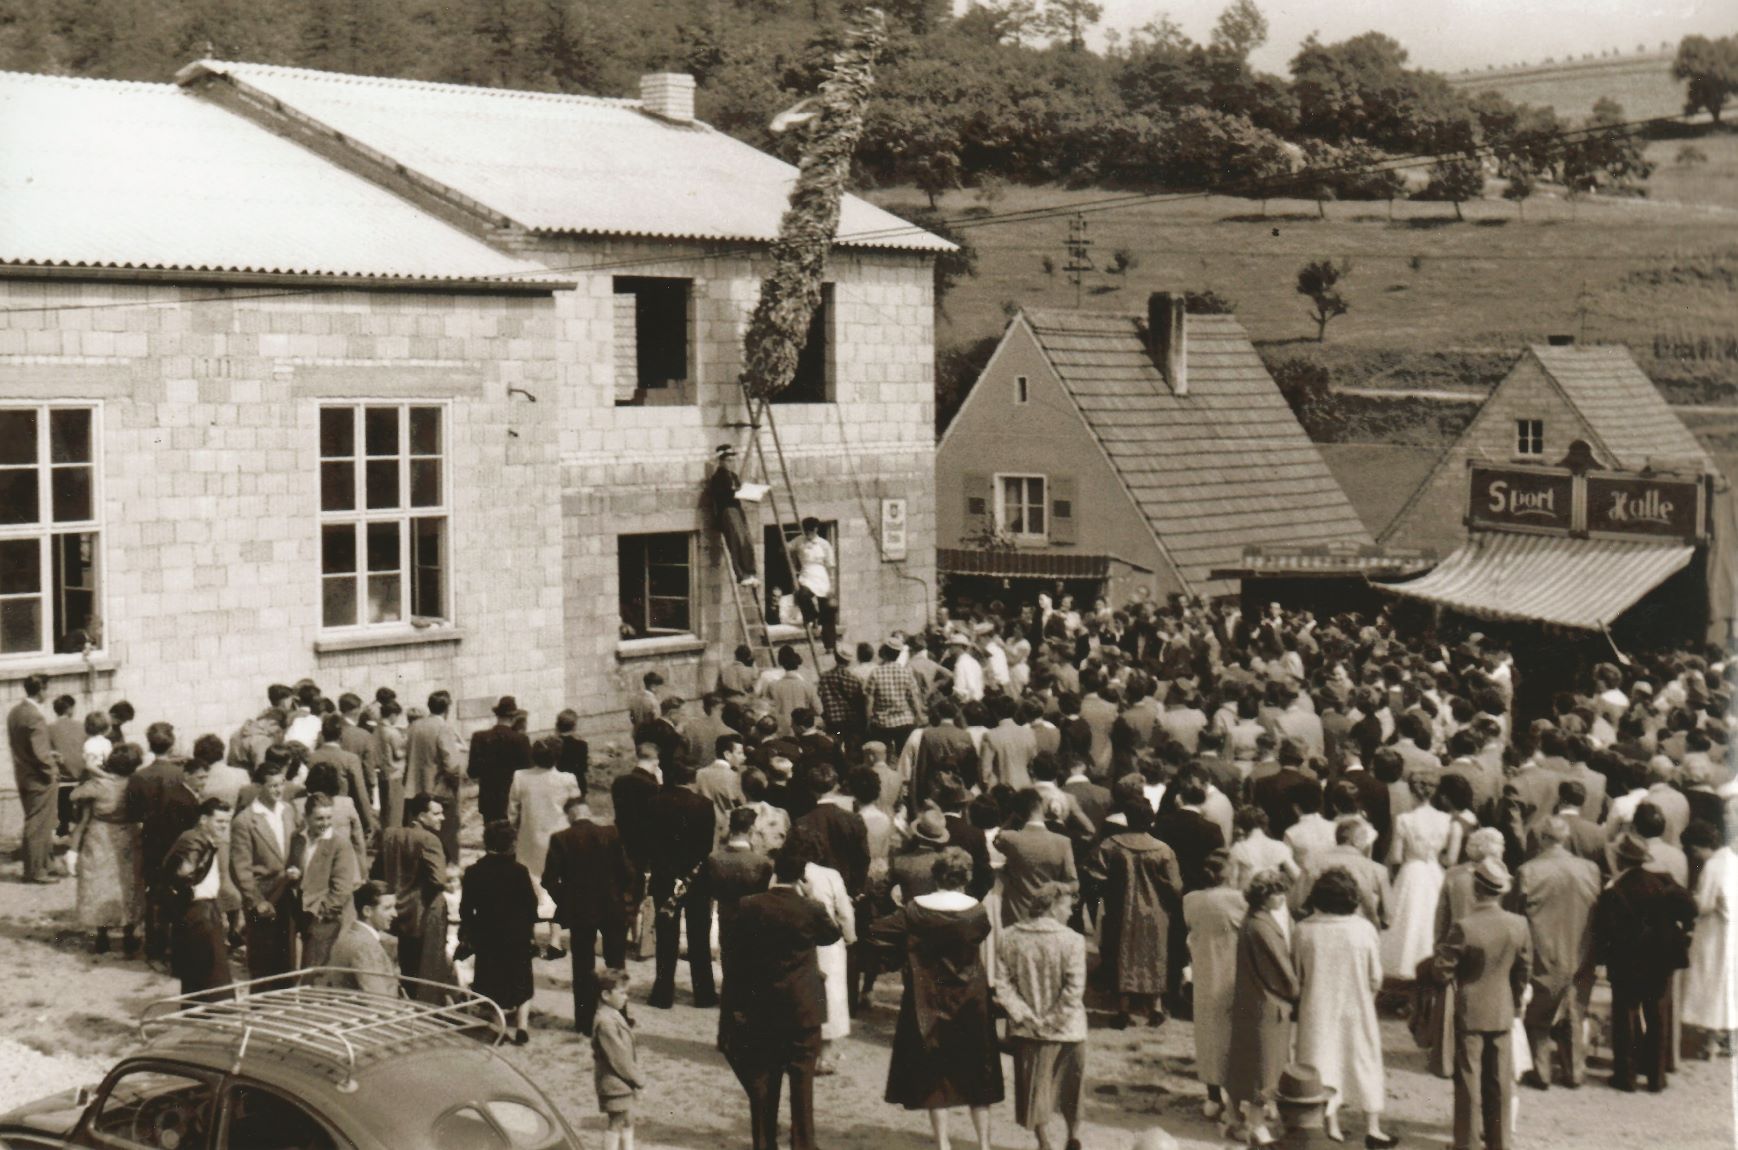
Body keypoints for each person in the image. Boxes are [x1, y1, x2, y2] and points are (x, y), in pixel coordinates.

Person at [871, 847, 1004, 1150]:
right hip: (970, 994)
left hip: (927, 994)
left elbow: (877, 930)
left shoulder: (915, 909)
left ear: (935, 875)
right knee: (977, 1069)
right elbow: (979, 937)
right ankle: (984, 1144)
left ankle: (943, 1143)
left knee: (935, 1070)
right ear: (966, 877)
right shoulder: (977, 911)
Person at [724, 847, 842, 1150]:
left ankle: (764, 1143)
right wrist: (812, 897)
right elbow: (832, 935)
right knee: (802, 1081)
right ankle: (803, 1143)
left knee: (765, 1079)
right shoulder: (810, 908)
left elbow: (736, 951)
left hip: (762, 1004)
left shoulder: (749, 905)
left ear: (775, 872)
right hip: (803, 1005)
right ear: (802, 877)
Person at [1433, 857, 1530, 1150]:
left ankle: (1467, 1144)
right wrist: (1515, 1004)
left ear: (1476, 889)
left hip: (1469, 1011)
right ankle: (1500, 1143)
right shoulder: (1519, 925)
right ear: (1500, 891)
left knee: (1468, 1081)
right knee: (1499, 1081)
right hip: (1502, 1010)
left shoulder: (1465, 927)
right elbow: (1523, 971)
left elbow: (1442, 970)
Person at [1295, 867, 1395, 1147]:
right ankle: (1373, 1127)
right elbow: (1376, 976)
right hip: (1358, 1005)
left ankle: (1332, 1125)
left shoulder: (1304, 931)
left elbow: (1297, 975)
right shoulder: (1363, 930)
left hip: (1317, 1005)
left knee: (1321, 1060)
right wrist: (1368, 997)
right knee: (1364, 1061)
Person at [1595, 831, 1697, 1093]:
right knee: (1657, 1016)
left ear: (1620, 859)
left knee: (1626, 1016)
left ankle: (1625, 1076)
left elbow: (1605, 930)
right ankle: (1656, 1077)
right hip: (1660, 959)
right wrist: (1681, 928)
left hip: (1627, 961)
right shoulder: (1663, 882)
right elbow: (1691, 908)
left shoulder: (1614, 891)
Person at [994, 882, 1088, 1150]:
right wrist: (1053, 1021)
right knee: (1073, 1086)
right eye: (1068, 906)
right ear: (1052, 906)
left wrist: (1025, 1017)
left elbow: (1002, 984)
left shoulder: (1009, 936)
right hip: (1069, 1028)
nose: (1071, 912)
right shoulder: (1073, 940)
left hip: (1028, 1030)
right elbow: (1074, 990)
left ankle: (1044, 1142)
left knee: (1035, 1087)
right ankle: (1073, 1137)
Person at [1514, 816, 1600, 1089]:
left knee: (1538, 1013)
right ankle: (1574, 1070)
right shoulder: (1590, 869)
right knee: (1575, 1010)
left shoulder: (1528, 871)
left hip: (1543, 948)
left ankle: (1540, 1070)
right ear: (1565, 838)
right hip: (1580, 947)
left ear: (1542, 839)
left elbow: (1515, 913)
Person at [1088, 798, 1182, 1029]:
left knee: (1123, 953)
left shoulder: (1111, 845)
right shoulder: (1162, 850)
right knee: (1154, 954)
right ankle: (1156, 1008)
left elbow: (1095, 875)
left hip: (1121, 909)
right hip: (1155, 910)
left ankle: (1123, 1008)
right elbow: (1176, 887)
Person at [543, 796, 633, 1035]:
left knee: (583, 967)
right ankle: (620, 1015)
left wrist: (566, 899)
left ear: (569, 816)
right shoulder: (611, 834)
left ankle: (584, 1022)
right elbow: (627, 872)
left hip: (581, 911)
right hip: (612, 908)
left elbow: (549, 880)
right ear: (587, 812)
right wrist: (622, 896)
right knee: (616, 963)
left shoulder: (561, 839)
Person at [1225, 867, 1298, 1147]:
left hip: (1252, 1002)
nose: (1282, 897)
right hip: (1269, 1004)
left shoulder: (1251, 921)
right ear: (1266, 896)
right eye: (1278, 892)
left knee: (1251, 1064)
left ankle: (1239, 1119)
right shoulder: (1264, 927)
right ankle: (1256, 1126)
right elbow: (1281, 968)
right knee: (1265, 1069)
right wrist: (1295, 990)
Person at [647, 763, 719, 1009]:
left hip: (665, 877)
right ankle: (704, 992)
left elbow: (651, 843)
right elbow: (707, 846)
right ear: (691, 779)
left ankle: (663, 992)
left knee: (667, 936)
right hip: (696, 878)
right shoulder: (704, 805)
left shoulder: (654, 803)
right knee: (699, 935)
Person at [462, 820, 540, 1043]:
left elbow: (467, 908)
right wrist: (529, 932)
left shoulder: (474, 871)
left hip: (487, 935)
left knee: (490, 981)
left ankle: (499, 1026)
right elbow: (530, 906)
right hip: (517, 935)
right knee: (523, 981)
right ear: (511, 845)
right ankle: (522, 1026)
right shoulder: (519, 872)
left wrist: (469, 932)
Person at [1183, 849, 1244, 1122]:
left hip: (1205, 973)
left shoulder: (1191, 901)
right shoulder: (1238, 900)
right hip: (1233, 973)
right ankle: (1235, 1096)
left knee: (1207, 1035)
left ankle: (1212, 1096)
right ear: (1228, 873)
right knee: (1235, 1034)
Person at [68, 742, 144, 956]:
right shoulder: (135, 783)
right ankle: (129, 934)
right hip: (128, 833)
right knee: (128, 883)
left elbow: (74, 795)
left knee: (100, 883)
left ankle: (102, 936)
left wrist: (99, 773)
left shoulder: (99, 784)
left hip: (100, 834)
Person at [229, 759, 302, 978]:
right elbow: (240, 869)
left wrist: (296, 869)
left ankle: (287, 1001)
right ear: (259, 787)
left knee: (287, 956)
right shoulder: (245, 821)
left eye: (281, 784)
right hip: (263, 896)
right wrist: (256, 901)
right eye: (273, 785)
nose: (278, 790)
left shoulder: (288, 810)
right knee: (263, 959)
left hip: (287, 891)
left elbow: (296, 845)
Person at [1382, 770, 1453, 981]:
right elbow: (1447, 856)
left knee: (1408, 919)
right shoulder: (1446, 819)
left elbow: (1396, 856)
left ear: (1413, 792)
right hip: (1434, 870)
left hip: (1412, 870)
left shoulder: (1404, 819)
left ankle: (1407, 966)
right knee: (1433, 917)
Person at [163, 797, 234, 1003]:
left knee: (200, 974)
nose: (224, 826)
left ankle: (199, 1017)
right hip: (198, 911)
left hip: (204, 909)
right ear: (204, 819)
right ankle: (210, 1020)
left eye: (227, 822)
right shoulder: (195, 840)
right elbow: (186, 875)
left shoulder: (201, 839)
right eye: (220, 821)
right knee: (213, 974)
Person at [1682, 820, 1738, 1057]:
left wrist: (1690, 898)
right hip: (1731, 929)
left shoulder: (1713, 867)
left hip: (1714, 932)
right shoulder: (1732, 861)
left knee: (1712, 982)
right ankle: (1727, 1037)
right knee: (1728, 982)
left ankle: (1711, 1041)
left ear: (1699, 847)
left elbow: (1704, 904)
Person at [380, 794, 447, 991]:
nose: (441, 818)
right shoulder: (430, 839)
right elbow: (439, 879)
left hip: (397, 910)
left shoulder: (390, 834)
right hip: (421, 912)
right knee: (424, 970)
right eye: (436, 813)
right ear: (421, 815)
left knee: (406, 966)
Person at [8, 674, 64, 884]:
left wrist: (50, 755)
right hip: (39, 779)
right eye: (47, 689)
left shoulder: (15, 712)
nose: (48, 693)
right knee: (38, 823)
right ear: (41, 690)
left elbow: (26, 747)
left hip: (24, 774)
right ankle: (34, 871)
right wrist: (52, 770)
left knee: (41, 822)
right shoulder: (35, 716)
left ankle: (46, 864)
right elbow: (40, 753)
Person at [297, 792, 360, 969]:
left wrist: (321, 913)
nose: (325, 823)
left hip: (327, 919)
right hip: (305, 915)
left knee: (319, 970)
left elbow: (341, 889)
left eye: (328, 818)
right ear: (306, 818)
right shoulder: (298, 839)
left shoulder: (339, 844)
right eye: (319, 819)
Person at [508, 735, 583, 882]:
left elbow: (512, 810)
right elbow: (576, 810)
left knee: (532, 878)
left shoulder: (520, 776)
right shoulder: (567, 779)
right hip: (560, 836)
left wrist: (514, 831)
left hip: (530, 837)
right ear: (557, 757)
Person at [406, 690, 466, 863]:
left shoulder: (414, 726)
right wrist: (455, 786)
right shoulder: (443, 728)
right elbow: (452, 765)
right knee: (447, 838)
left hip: (415, 791)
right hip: (439, 791)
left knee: (421, 838)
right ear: (447, 709)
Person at [594, 969, 644, 1150]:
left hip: (622, 1082)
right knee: (616, 1122)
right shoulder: (605, 1022)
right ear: (606, 995)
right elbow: (619, 1058)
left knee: (628, 1118)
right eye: (622, 993)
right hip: (614, 1082)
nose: (626, 997)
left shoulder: (613, 1015)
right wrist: (637, 1078)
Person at [327, 881, 399, 997]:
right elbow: (378, 1001)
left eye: (394, 907)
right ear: (367, 911)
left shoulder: (350, 935)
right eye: (387, 908)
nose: (395, 914)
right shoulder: (365, 947)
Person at [470, 695, 532, 825]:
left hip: (488, 798)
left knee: (491, 838)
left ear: (497, 716)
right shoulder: (521, 740)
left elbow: (473, 772)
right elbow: (528, 771)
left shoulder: (479, 737)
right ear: (514, 717)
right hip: (512, 798)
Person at [708, 443, 759, 587]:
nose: (731, 463)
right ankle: (741, 575)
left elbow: (738, 490)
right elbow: (722, 496)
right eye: (728, 460)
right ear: (722, 461)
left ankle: (750, 572)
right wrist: (736, 492)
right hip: (728, 511)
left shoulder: (734, 476)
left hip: (737, 509)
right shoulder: (718, 478)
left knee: (746, 540)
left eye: (733, 460)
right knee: (736, 541)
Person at [790, 517, 838, 652]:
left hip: (821, 575)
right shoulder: (799, 541)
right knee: (802, 595)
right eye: (806, 531)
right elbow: (786, 547)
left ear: (816, 529)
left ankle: (830, 645)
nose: (808, 533)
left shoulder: (824, 544)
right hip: (807, 574)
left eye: (811, 530)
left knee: (828, 610)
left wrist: (832, 584)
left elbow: (830, 565)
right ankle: (812, 616)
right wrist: (790, 555)